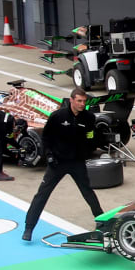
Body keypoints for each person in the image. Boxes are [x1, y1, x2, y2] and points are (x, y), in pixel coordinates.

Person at [22, 87, 104, 239]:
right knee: (42, 194)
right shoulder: (58, 116)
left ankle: (102, 223)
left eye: (84, 101)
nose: (82, 104)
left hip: (77, 162)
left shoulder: (89, 118)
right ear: (71, 100)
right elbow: (46, 137)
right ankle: (29, 228)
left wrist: (88, 149)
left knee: (88, 192)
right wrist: (49, 156)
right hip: (57, 163)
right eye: (79, 101)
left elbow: (91, 135)